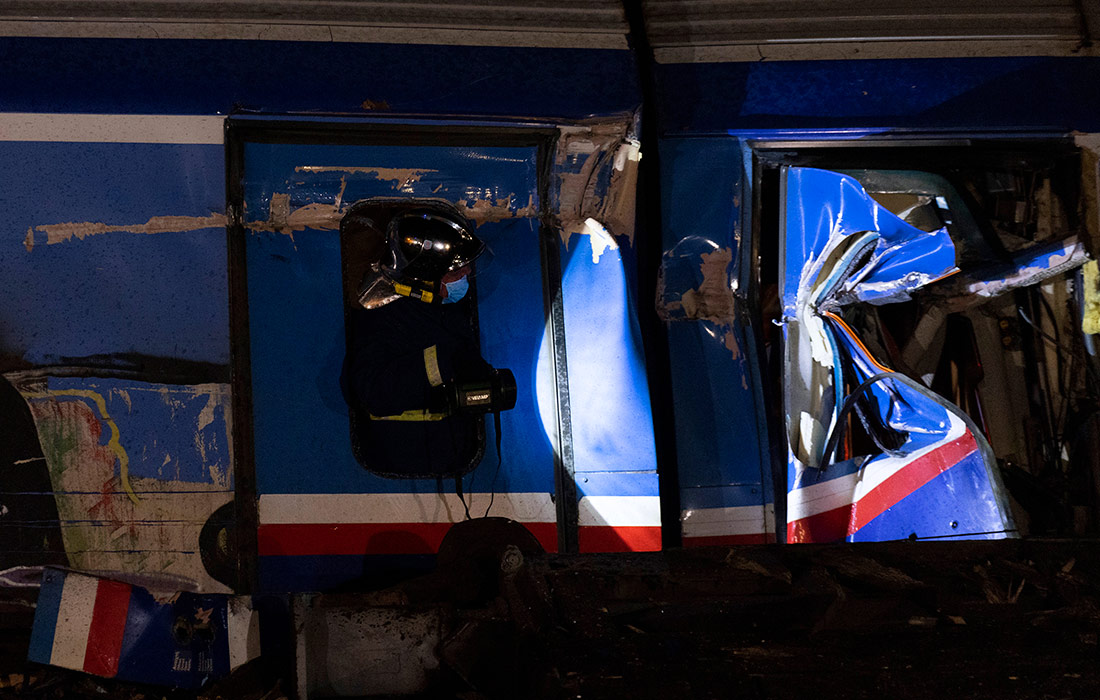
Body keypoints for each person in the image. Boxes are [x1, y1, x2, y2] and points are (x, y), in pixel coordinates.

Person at [343, 209, 493, 478]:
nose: (467, 272)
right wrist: (445, 362)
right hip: (404, 470)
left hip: (448, 464)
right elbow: (371, 392)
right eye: (455, 270)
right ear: (426, 276)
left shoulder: (446, 313)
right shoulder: (384, 317)